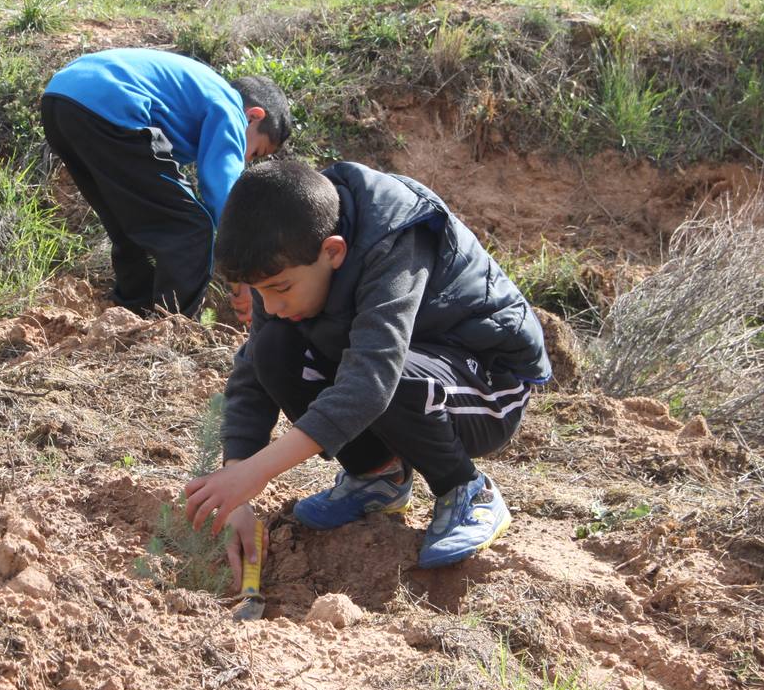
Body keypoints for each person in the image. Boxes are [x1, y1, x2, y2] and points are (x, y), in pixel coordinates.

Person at [184, 158, 551, 581]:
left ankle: (467, 490)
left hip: (489, 381)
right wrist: (236, 488)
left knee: (390, 381)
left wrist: (256, 473)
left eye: (281, 289)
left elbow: (373, 380)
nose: (272, 305)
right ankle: (379, 477)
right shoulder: (291, 239)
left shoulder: (394, 237)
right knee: (271, 347)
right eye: (260, 292)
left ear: (333, 251)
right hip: (413, 360)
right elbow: (254, 375)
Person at [40, 48, 291, 320]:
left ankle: (130, 314)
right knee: (192, 228)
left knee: (132, 224)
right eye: (255, 152)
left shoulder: (195, 94)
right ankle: (169, 328)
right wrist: (243, 273)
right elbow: (222, 191)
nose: (244, 159)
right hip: (111, 104)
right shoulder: (230, 105)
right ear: (254, 116)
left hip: (61, 103)